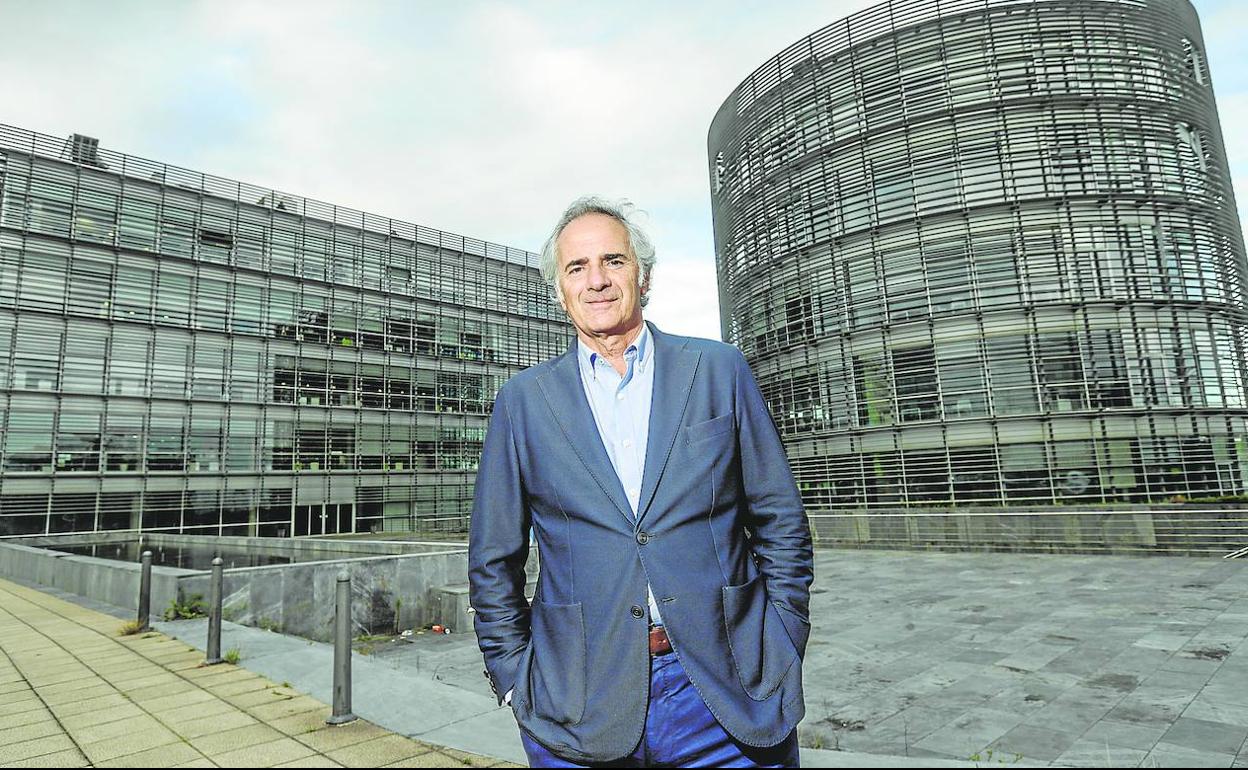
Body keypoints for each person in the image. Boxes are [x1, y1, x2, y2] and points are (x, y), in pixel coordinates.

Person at [469, 196, 813, 767]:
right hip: (576, 703)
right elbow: (493, 557)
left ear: (643, 275)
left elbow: (779, 519)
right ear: (559, 288)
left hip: (727, 695)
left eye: (614, 261)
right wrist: (514, 676)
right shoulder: (522, 403)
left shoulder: (717, 370)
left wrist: (783, 639)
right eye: (577, 268)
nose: (597, 281)